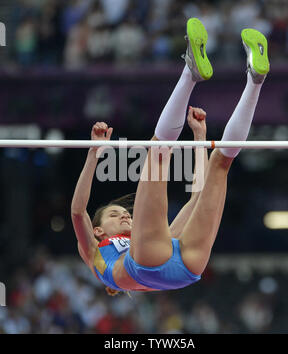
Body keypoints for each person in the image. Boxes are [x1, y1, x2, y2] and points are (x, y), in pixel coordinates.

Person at [71, 18, 270, 295]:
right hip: (164, 264)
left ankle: (255, 80)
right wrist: (93, 155)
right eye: (116, 215)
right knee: (159, 152)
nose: (126, 217)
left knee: (220, 163)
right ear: (98, 232)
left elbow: (196, 198)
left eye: (124, 213)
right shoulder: (93, 254)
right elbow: (78, 212)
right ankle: (190, 72)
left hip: (185, 267)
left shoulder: (157, 237)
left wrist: (200, 139)